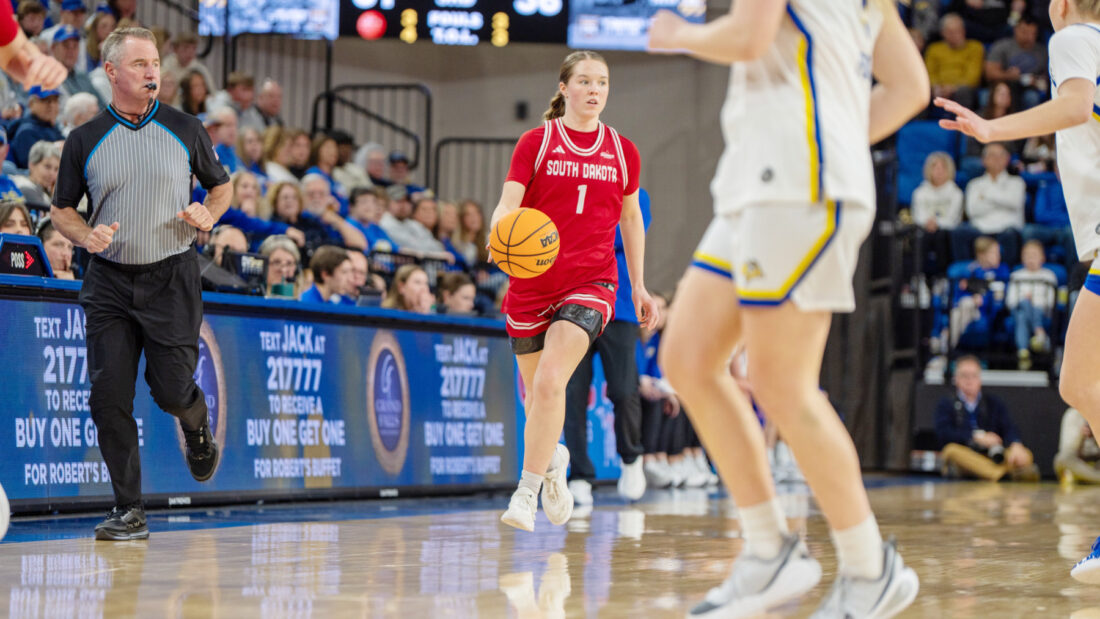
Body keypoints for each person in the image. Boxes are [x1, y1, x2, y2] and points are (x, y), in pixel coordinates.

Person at [648, 0, 927, 615]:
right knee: (687, 358)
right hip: (761, 182)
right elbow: (911, 86)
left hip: (799, 184)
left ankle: (869, 567)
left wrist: (677, 33)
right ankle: (769, 549)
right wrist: (840, 133)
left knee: (782, 385)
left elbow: (749, 38)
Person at [937, 0, 1100, 583]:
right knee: (1081, 380)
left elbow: (1075, 105)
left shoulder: (1073, 38)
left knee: (1078, 380)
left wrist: (990, 128)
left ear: (1061, 5)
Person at [49, 27, 232, 541]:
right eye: (139, 64)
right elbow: (61, 210)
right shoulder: (84, 139)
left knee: (171, 390)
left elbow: (221, 186)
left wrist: (209, 211)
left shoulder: (185, 127)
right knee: (108, 397)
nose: (153, 72)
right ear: (111, 72)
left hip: (171, 275)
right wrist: (85, 235)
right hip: (108, 280)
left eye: (154, 62)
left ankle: (195, 423)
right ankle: (129, 509)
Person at [491, 51, 656, 534]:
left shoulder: (623, 151)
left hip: (591, 283)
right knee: (537, 398)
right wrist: (499, 233)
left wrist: (639, 284)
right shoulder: (536, 142)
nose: (594, 90)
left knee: (550, 382)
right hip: (531, 284)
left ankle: (525, 494)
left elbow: (631, 218)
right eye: (584, 81)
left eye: (602, 82)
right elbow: (507, 205)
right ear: (564, 88)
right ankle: (555, 459)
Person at [563, 187, 652, 505]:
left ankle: (631, 458)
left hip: (620, 306)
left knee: (625, 390)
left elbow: (625, 232)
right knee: (572, 393)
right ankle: (579, 475)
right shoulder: (573, 188)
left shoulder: (636, 195)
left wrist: (580, 234)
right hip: (574, 302)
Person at [935, 355, 1038, 481]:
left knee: (1025, 454)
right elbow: (944, 433)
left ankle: (989, 472)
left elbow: (1009, 427)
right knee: (951, 451)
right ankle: (1003, 474)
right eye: (964, 376)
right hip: (966, 453)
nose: (969, 380)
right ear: (956, 379)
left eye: (973, 376)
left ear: (980, 379)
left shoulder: (993, 402)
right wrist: (975, 437)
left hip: (991, 455)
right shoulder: (946, 404)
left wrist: (1016, 444)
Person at [1007, 240, 1059, 369]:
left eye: (1034, 255)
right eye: (1027, 255)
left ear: (1042, 257)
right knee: (1023, 306)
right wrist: (1026, 301)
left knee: (1022, 316)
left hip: (1041, 311)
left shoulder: (1049, 276)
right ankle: (1039, 331)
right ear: (1022, 258)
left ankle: (1023, 351)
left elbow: (1051, 301)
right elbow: (1010, 301)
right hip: (1018, 308)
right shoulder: (1016, 276)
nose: (1031, 259)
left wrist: (1034, 302)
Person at [911, 151, 964, 274]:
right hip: (925, 229)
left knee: (941, 237)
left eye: (943, 168)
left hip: (946, 230)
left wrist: (937, 223)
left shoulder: (956, 193)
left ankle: (942, 276)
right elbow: (918, 215)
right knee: (920, 237)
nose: (939, 172)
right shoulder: (920, 192)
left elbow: (954, 218)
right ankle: (919, 276)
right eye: (935, 168)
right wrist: (927, 222)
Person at [925, 13, 984, 109]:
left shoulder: (975, 47)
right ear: (943, 33)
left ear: (964, 31)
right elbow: (930, 73)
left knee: (964, 91)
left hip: (963, 89)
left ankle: (962, 118)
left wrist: (952, 88)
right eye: (951, 32)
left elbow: (973, 77)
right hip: (938, 89)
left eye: (959, 31)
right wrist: (937, 87)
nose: (956, 35)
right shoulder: (934, 49)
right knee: (921, 92)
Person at [10, 86, 62, 169]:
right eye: (46, 100)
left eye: (55, 100)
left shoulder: (52, 126)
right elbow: (33, 169)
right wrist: (56, 148)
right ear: (31, 104)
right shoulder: (26, 131)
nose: (52, 105)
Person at [1055, 408, 1100, 485]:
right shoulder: (1073, 415)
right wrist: (1081, 436)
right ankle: (1095, 478)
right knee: (1061, 459)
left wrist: (1096, 436)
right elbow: (1067, 450)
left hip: (1097, 463)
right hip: (1080, 464)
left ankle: (1086, 479)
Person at [13, 139, 59, 212]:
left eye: (56, 169)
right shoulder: (26, 188)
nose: (52, 174)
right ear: (32, 165)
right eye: (47, 167)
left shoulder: (45, 190)